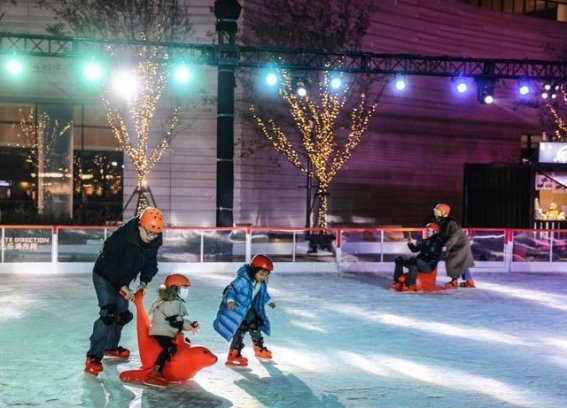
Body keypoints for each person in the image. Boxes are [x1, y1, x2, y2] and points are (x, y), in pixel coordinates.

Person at [85, 206, 165, 376]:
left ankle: (110, 348)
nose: (151, 238)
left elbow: (151, 262)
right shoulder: (121, 237)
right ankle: (93, 357)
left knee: (121, 315)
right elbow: (109, 264)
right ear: (139, 226)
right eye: (148, 233)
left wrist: (144, 281)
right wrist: (121, 286)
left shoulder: (154, 240)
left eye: (155, 235)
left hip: (124, 278)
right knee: (109, 314)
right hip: (104, 276)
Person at [213, 254, 275, 367]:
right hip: (237, 309)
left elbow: (262, 294)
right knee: (240, 329)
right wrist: (230, 300)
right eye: (261, 274)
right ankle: (233, 354)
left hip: (248, 307)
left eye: (266, 275)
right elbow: (231, 289)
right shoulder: (243, 280)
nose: (263, 277)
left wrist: (268, 302)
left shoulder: (261, 282)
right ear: (253, 270)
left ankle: (258, 348)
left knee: (255, 324)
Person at [144, 273, 201, 387]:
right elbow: (176, 321)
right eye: (183, 288)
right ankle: (155, 371)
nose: (186, 291)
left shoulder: (172, 300)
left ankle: (174, 368)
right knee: (170, 348)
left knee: (183, 343)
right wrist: (190, 326)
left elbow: (179, 320)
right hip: (162, 332)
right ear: (175, 289)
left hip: (168, 330)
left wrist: (190, 324)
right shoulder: (170, 303)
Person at [390, 223, 444, 292]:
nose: (427, 232)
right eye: (427, 230)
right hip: (420, 263)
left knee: (414, 260)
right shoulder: (424, 241)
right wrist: (409, 242)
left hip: (428, 266)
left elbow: (442, 239)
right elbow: (414, 249)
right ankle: (397, 282)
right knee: (399, 259)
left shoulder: (438, 242)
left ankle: (411, 285)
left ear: (435, 232)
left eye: (429, 230)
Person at [433, 203, 476, 288]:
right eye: (435, 211)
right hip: (456, 244)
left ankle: (454, 281)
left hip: (460, 244)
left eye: (437, 212)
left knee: (452, 261)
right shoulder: (443, 221)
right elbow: (443, 234)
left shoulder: (451, 222)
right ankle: (470, 281)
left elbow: (454, 235)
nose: (435, 214)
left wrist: (446, 245)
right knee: (461, 263)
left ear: (443, 212)